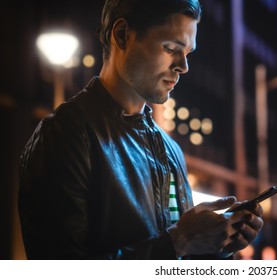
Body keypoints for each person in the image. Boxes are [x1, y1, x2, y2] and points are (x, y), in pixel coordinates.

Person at [18, 0, 264, 260]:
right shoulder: (66, 134)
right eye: (171, 48)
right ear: (122, 35)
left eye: (187, 53)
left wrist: (219, 245)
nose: (183, 66)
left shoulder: (171, 150)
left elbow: (179, 258)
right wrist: (179, 241)